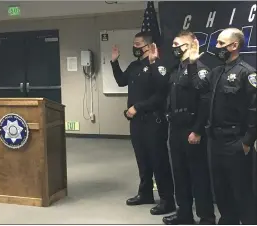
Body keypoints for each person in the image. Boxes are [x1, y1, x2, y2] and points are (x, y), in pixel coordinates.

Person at [189, 27, 257, 224]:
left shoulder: (247, 74)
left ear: (234, 45)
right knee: (221, 190)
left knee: (242, 191)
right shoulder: (216, 72)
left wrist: (247, 141)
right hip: (215, 141)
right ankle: (228, 221)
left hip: (236, 142)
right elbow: (197, 87)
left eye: (220, 43)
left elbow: (255, 110)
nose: (216, 47)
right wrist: (192, 63)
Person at [110, 31, 175, 215]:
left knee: (159, 161)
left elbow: (161, 94)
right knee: (143, 160)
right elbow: (121, 81)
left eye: (138, 44)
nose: (135, 48)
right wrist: (114, 62)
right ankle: (145, 193)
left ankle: (167, 200)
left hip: (154, 121)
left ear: (149, 46)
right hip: (137, 122)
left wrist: (137, 107)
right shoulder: (134, 66)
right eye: (134, 44)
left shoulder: (159, 66)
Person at [162, 30, 215, 225]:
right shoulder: (176, 69)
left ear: (191, 46)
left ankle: (206, 216)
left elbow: (205, 101)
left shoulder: (199, 69)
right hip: (175, 129)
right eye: (173, 45)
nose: (174, 48)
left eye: (178, 45)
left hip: (192, 129)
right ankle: (184, 213)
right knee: (180, 174)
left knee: (198, 175)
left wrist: (198, 130)